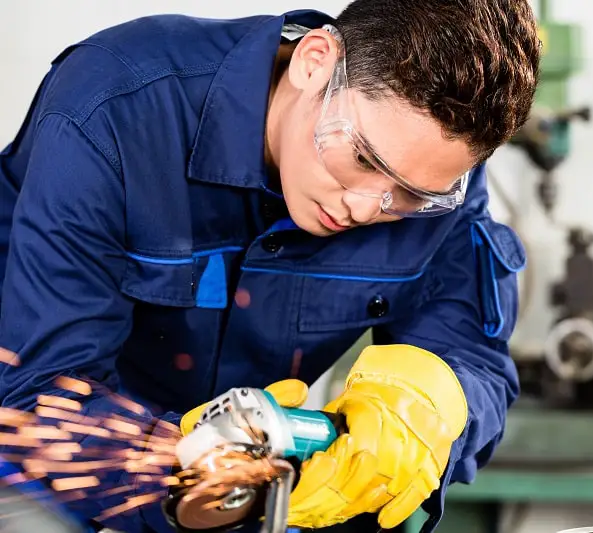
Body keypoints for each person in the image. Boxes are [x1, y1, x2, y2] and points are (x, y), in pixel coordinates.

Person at [0, 1, 540, 532]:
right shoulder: (116, 106)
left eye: (412, 194)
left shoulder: (435, 172)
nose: (367, 206)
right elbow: (43, 398)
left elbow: (472, 358)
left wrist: (431, 408)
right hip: (41, 483)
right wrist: (186, 467)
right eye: (363, 160)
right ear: (314, 62)